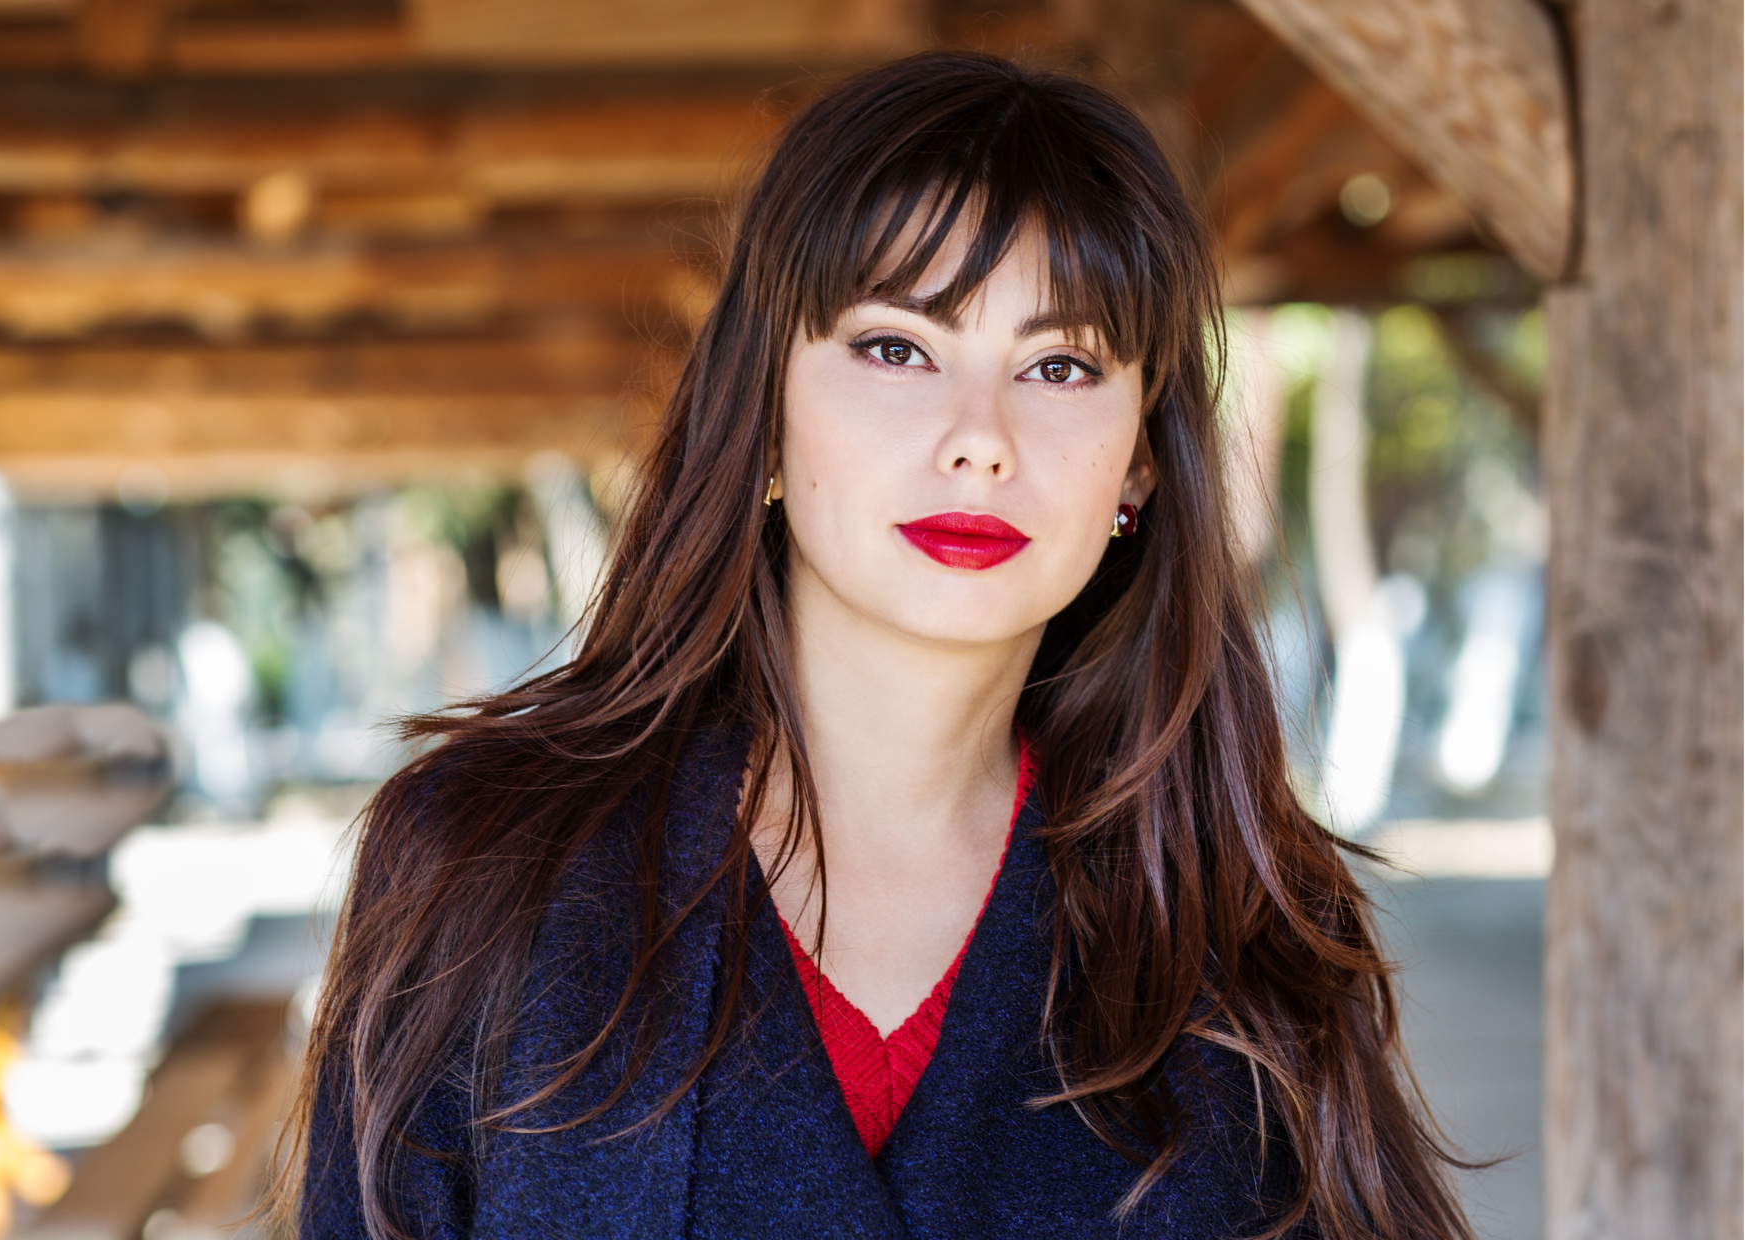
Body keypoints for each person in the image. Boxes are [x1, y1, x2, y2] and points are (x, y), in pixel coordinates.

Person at [288, 52, 1475, 1240]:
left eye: (1058, 366)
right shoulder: (483, 867)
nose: (980, 439)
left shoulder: (1241, 933)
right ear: (759, 408)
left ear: (1139, 462)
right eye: (897, 347)